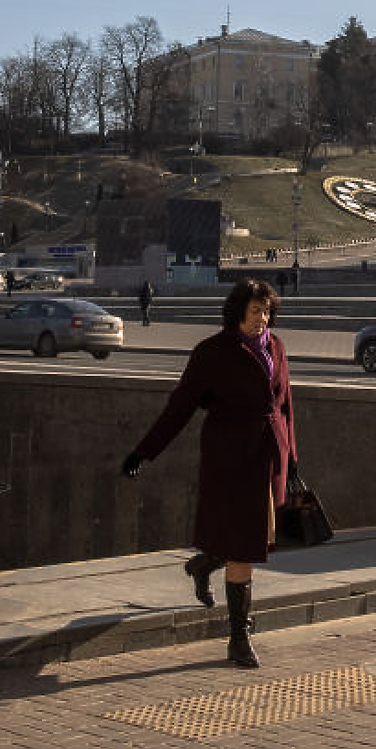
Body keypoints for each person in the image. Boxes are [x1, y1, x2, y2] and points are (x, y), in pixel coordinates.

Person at [121, 278, 296, 669]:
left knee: (252, 541)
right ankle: (238, 638)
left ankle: (203, 565)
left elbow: (285, 405)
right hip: (230, 459)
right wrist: (143, 451)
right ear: (237, 313)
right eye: (255, 312)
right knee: (244, 547)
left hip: (268, 457)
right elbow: (179, 407)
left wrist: (292, 457)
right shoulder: (213, 353)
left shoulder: (277, 348)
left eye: (267, 312)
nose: (262, 320)